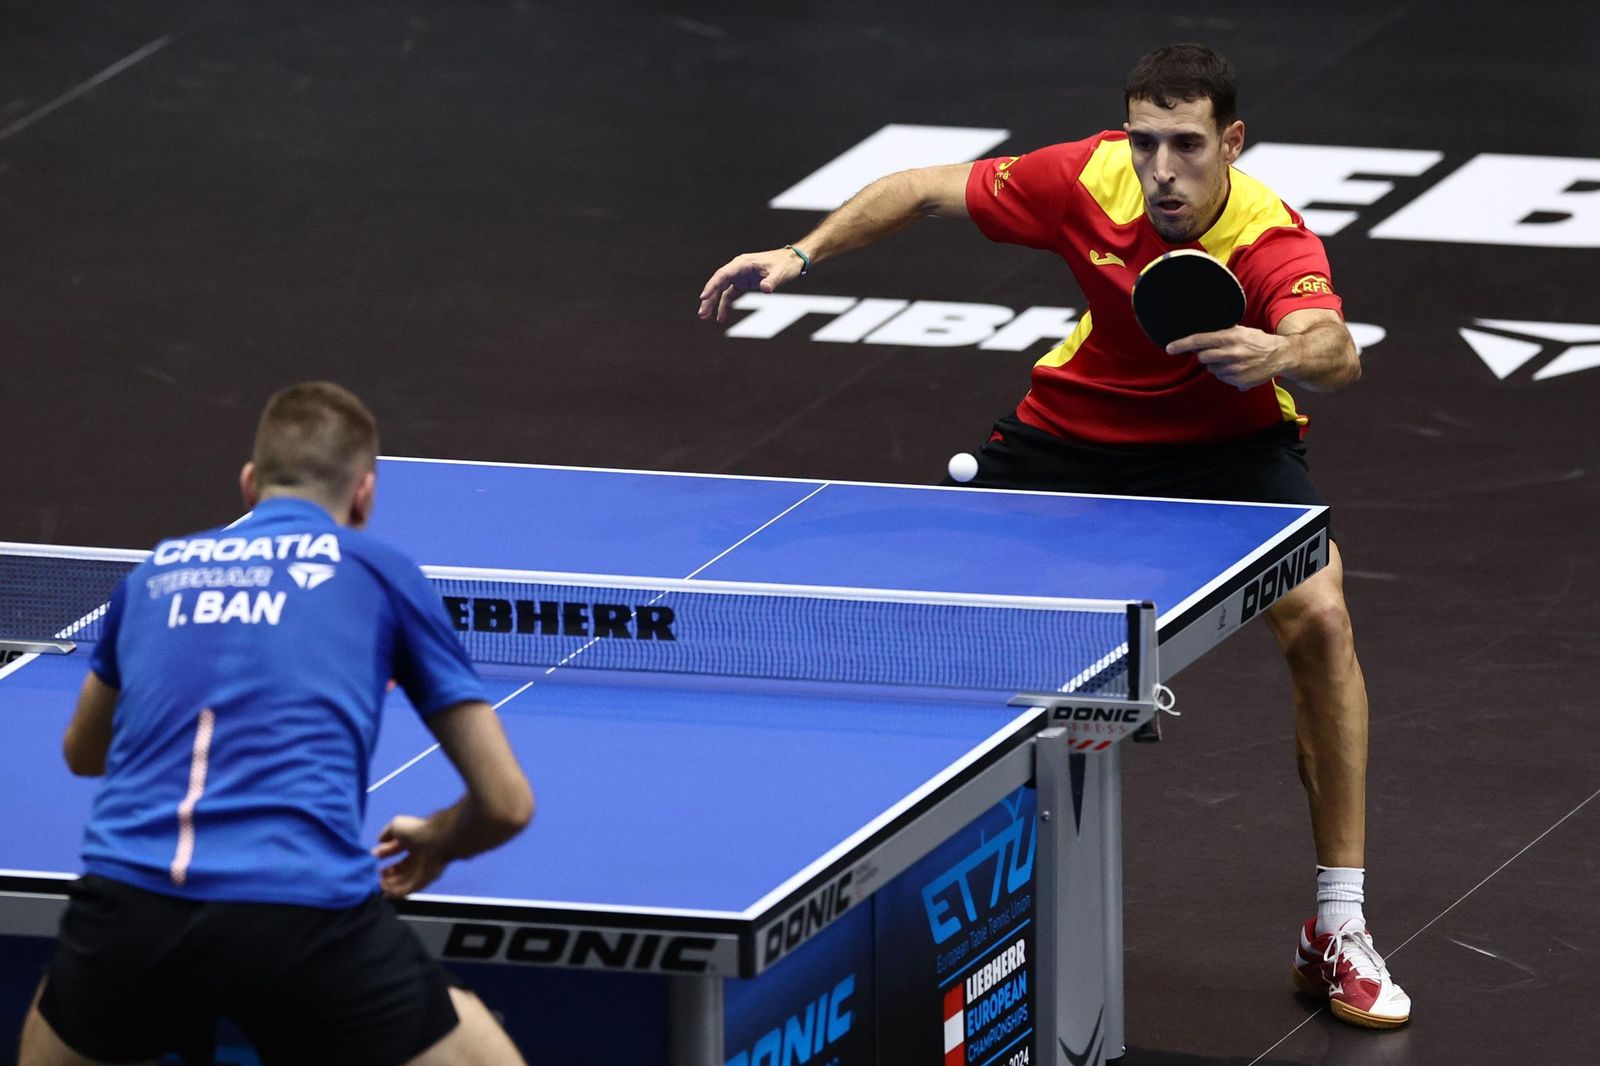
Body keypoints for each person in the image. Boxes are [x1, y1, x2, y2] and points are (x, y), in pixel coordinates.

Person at [698, 44, 1409, 1029]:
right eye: (1144, 140)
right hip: (1073, 432)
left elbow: (1338, 353)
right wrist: (803, 254)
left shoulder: (1266, 235)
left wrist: (1280, 348)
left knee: (1321, 612)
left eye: (1187, 145)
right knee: (932, 618)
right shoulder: (1083, 178)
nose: (1162, 168)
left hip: (1225, 447)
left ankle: (1337, 925)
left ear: (1230, 143)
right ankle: (870, 891)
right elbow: (917, 188)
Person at [19, 382, 535, 1064]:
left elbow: (84, 754)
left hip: (131, 913)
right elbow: (505, 804)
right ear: (364, 495)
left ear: (249, 484)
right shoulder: (381, 572)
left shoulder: (153, 575)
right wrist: (438, 839)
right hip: (301, 919)